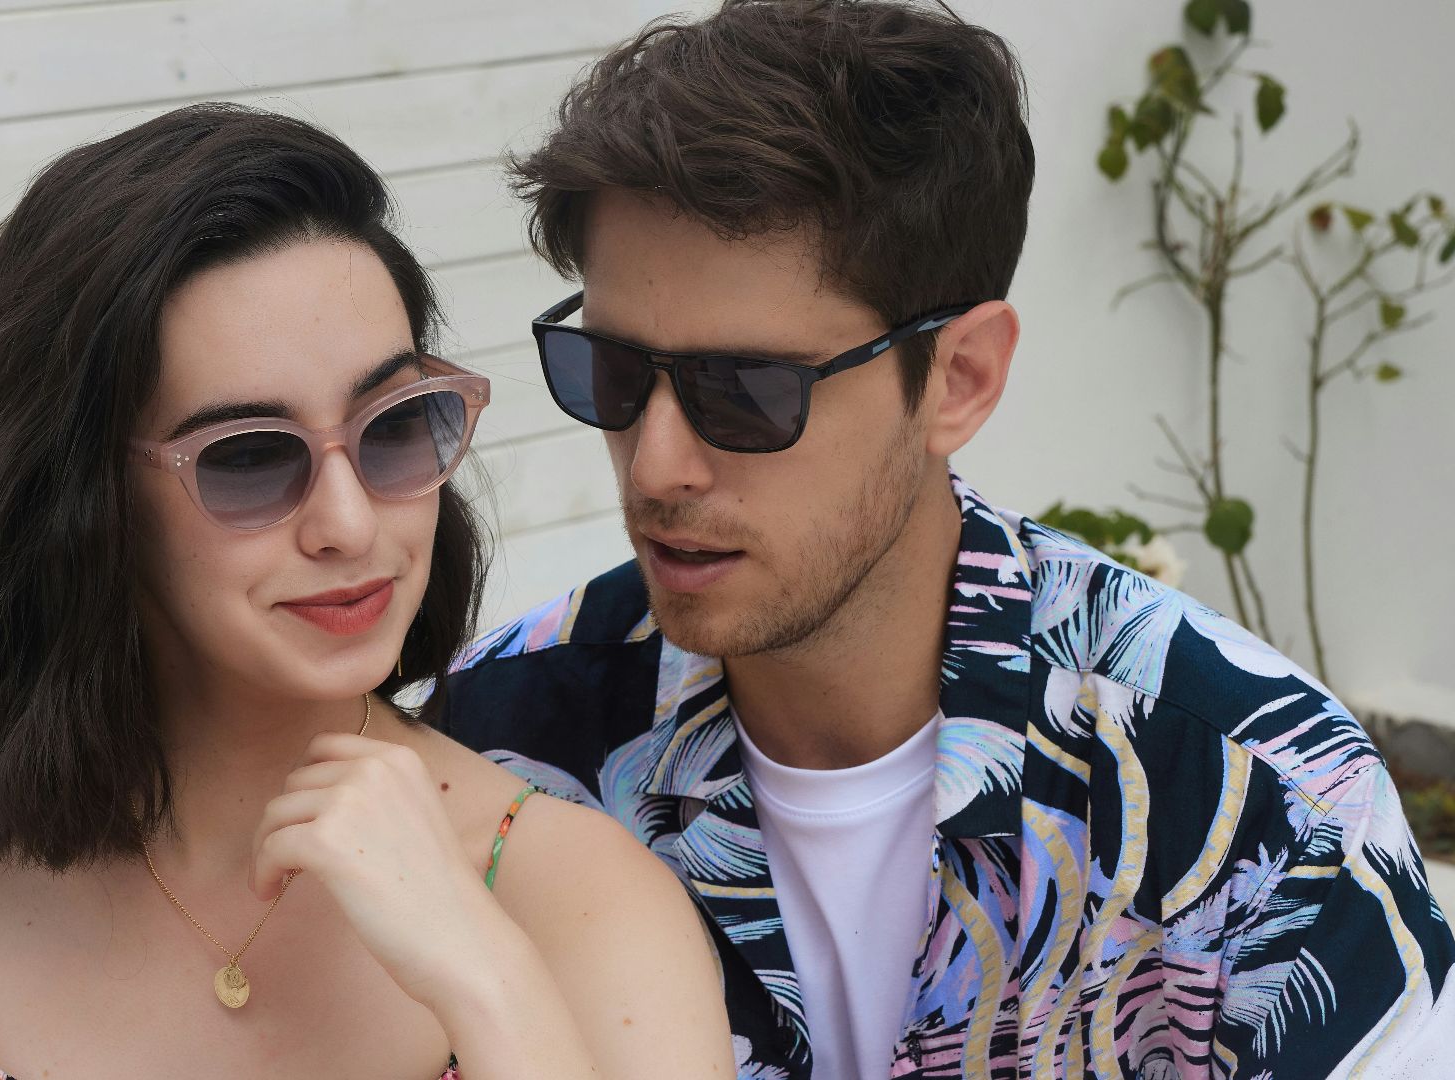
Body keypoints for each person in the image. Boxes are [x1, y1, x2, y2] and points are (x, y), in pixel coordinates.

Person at [439, 3, 1455, 1078]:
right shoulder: (498, 750)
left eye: (744, 391)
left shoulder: (1256, 798)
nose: (656, 466)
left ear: (959, 378)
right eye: (611, 372)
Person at [0, 103, 734, 1079]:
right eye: (252, 458)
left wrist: (485, 976)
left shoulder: (579, 895)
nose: (349, 524)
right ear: (77, 501)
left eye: (395, 426)